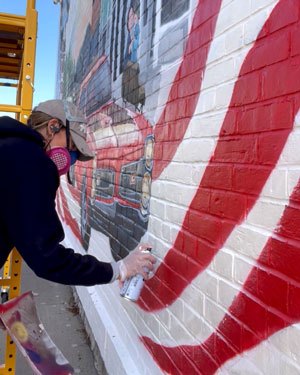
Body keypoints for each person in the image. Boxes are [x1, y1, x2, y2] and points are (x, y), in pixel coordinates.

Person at [0, 99, 155, 287]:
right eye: (71, 147)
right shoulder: (31, 162)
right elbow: (46, 258)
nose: (70, 157)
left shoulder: (9, 147)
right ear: (53, 127)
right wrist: (118, 269)